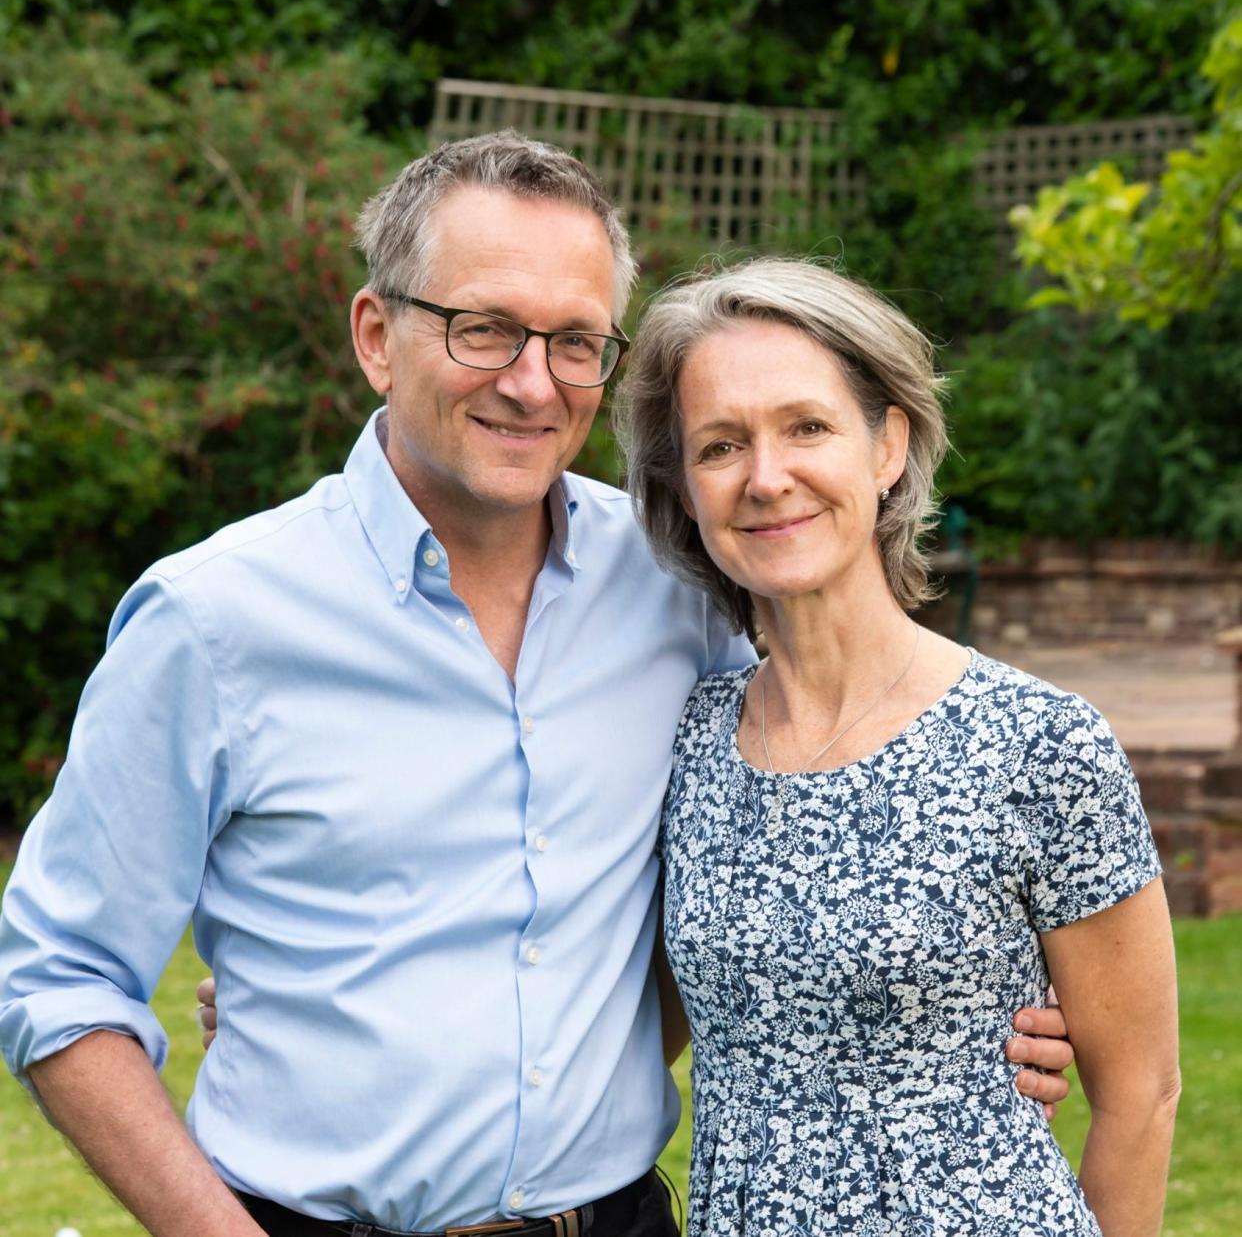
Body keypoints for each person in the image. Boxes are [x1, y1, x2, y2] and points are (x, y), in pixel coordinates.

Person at [0, 133, 1073, 1237]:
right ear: (378, 334)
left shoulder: (681, 591)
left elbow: (788, 836)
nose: (530, 381)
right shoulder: (213, 619)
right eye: (485, 328)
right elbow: (59, 974)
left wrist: (971, 1005)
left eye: (573, 341)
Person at [615, 257, 1181, 1236]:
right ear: (686, 489)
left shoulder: (1040, 744)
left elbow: (1142, 1092)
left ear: (888, 446)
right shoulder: (689, 738)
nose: (766, 475)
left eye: (808, 426)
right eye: (719, 445)